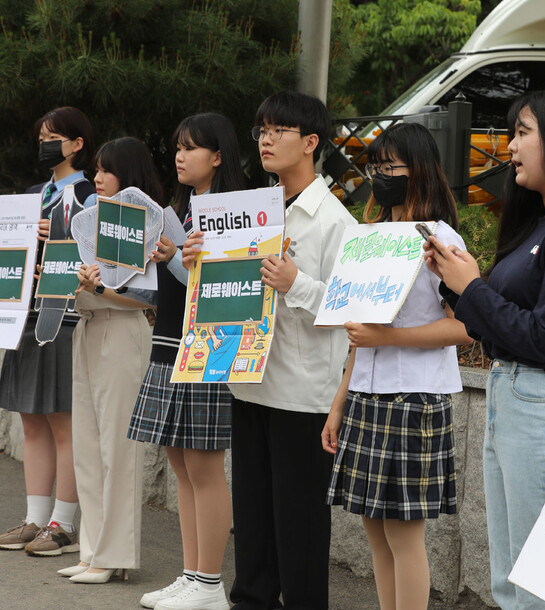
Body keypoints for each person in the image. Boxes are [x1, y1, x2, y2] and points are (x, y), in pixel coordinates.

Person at [424, 90, 545, 610]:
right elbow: (499, 329)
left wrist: (472, 289)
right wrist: (454, 283)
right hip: (515, 401)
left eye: (523, 132)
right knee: (510, 581)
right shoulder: (542, 226)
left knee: (537, 588)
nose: (510, 145)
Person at [182, 91, 356, 609]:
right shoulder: (251, 210)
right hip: (249, 381)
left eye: (278, 130)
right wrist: (197, 261)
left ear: (310, 143)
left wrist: (296, 282)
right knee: (253, 522)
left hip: (303, 397)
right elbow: (225, 294)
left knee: (299, 528)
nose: (264, 138)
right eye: (261, 129)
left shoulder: (334, 221)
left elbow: (349, 312)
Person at [322, 122, 472, 610]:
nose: (379, 176)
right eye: (375, 167)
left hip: (415, 398)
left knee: (404, 536)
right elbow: (360, 335)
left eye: (390, 167)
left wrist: (390, 337)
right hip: (367, 394)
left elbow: (465, 326)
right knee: (376, 532)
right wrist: (339, 404)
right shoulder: (370, 236)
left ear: (419, 171)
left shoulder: (441, 239)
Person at [128, 113, 246, 610]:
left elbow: (225, 285)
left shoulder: (235, 212)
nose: (179, 155)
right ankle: (191, 575)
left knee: (203, 466)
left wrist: (176, 255)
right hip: (169, 340)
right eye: (177, 147)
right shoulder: (183, 209)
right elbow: (175, 278)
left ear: (217, 156)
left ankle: (209, 582)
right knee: (180, 464)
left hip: (208, 347)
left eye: (191, 147)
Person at [0, 106, 96, 556]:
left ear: (77, 144)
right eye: (41, 137)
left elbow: (104, 259)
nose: (45, 144)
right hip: (25, 315)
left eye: (54, 137)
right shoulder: (31, 195)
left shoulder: (91, 195)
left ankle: (62, 525)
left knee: (64, 423)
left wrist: (62, 232)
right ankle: (33, 519)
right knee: (32, 420)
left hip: (67, 317)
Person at [60, 137, 161, 584]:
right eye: (95, 170)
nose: (96, 178)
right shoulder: (92, 223)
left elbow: (143, 298)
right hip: (88, 328)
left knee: (118, 447)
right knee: (87, 442)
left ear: (129, 174)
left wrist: (99, 289)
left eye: (105, 170)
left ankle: (114, 553)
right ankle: (92, 550)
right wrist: (77, 285)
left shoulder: (146, 222)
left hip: (122, 333)